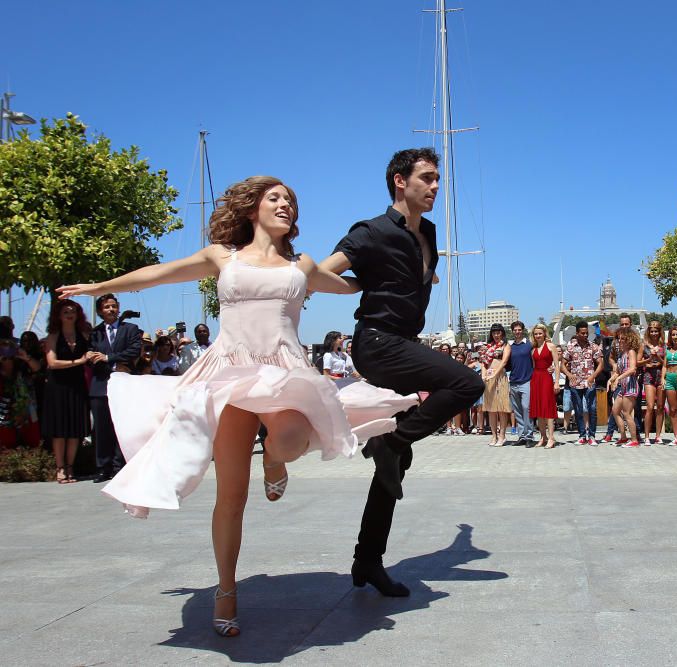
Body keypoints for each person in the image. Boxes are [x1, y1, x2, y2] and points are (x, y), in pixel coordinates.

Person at [59, 175, 416, 637]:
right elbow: (159, 273)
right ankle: (226, 589)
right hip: (227, 373)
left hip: (281, 370)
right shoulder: (221, 256)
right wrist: (98, 287)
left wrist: (403, 266)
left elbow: (350, 287)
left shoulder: (301, 264)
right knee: (231, 495)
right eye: (275, 198)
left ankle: (273, 461)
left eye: (290, 199)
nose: (285, 204)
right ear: (252, 209)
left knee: (287, 440)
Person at [321, 148, 484, 598]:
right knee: (467, 382)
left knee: (396, 468)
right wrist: (356, 283)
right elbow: (320, 272)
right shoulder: (371, 231)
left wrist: (464, 536)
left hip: (404, 344)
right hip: (377, 342)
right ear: (399, 181)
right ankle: (390, 442)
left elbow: (418, 274)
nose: (435, 187)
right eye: (427, 179)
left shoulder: (427, 233)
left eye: (438, 180)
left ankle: (366, 561)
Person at [88, 293, 141, 482]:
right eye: (106, 307)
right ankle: (103, 467)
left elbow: (134, 350)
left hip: (125, 383)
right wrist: (103, 359)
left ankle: (120, 466)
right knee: (101, 429)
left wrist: (109, 358)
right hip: (101, 386)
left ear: (118, 307)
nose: (111, 310)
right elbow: (92, 356)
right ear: (100, 312)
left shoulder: (131, 329)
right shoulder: (95, 333)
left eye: (113, 306)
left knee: (123, 427)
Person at [41, 300, 93, 484]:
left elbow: (92, 353)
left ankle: (70, 467)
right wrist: (78, 362)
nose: (70, 314)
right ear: (59, 315)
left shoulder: (84, 334)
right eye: (66, 311)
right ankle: (60, 467)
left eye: (73, 311)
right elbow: (52, 363)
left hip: (77, 384)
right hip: (58, 386)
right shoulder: (53, 335)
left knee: (75, 429)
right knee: (60, 429)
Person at [560, 322, 604, 445]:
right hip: (575, 384)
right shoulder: (571, 347)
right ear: (577, 333)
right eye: (582, 333)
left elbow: (600, 364)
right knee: (578, 409)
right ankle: (581, 435)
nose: (585, 335)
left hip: (589, 383)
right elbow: (562, 364)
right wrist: (569, 375)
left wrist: (593, 376)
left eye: (586, 333)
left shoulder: (593, 346)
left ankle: (592, 435)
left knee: (592, 409)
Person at [528, 324, 560, 449]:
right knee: (538, 410)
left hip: (547, 378)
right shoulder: (533, 350)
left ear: (544, 333)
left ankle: (551, 437)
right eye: (536, 334)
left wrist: (556, 382)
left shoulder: (551, 346)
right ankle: (543, 437)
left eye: (540, 333)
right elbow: (533, 366)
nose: (538, 335)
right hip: (536, 378)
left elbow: (557, 365)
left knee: (548, 408)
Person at [481, 324, 513, 447]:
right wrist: (484, 375)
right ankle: (493, 435)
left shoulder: (505, 346)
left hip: (500, 377)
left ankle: (502, 435)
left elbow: (504, 361)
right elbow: (483, 362)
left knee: (501, 408)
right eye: (494, 333)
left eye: (498, 332)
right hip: (488, 378)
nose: (496, 335)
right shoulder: (488, 347)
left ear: (502, 333)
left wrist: (495, 374)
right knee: (491, 409)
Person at [609, 327, 641, 447]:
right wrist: (611, 379)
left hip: (630, 385)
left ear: (629, 339)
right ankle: (623, 437)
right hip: (623, 386)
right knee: (615, 411)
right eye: (619, 339)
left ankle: (634, 440)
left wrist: (619, 378)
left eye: (623, 339)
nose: (620, 341)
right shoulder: (622, 354)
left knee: (627, 413)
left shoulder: (631, 352)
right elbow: (618, 371)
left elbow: (632, 369)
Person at [637, 320, 666, 444]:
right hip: (649, 375)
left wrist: (658, 358)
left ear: (660, 332)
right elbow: (638, 362)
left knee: (660, 407)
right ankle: (647, 436)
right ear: (649, 332)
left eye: (656, 331)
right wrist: (648, 360)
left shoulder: (664, 346)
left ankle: (658, 435)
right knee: (649, 406)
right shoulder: (643, 345)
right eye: (652, 331)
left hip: (661, 375)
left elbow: (667, 362)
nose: (654, 333)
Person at [507, 321, 535, 446]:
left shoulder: (529, 345)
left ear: (522, 330)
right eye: (515, 330)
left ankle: (529, 436)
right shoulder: (510, 346)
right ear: (512, 331)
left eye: (519, 330)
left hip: (527, 381)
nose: (517, 332)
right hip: (513, 381)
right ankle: (522, 436)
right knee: (517, 410)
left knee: (526, 408)